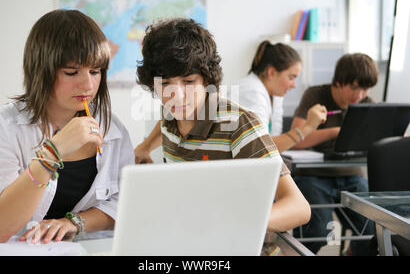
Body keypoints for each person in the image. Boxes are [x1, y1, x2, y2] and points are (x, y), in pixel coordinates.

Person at [0, 9, 134, 244]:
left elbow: (124, 203)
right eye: (71, 72)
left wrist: (74, 222)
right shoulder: (3, 127)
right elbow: (0, 228)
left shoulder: (112, 129)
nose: (88, 84)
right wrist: (52, 153)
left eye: (95, 71)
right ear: (41, 70)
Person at [135, 18, 311, 234]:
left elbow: (299, 208)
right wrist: (144, 147)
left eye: (189, 82)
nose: (177, 96)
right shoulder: (171, 112)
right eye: (164, 84)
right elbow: (165, 120)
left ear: (206, 80)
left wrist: (233, 223)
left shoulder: (238, 124)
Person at [290, 53, 379, 255]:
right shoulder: (315, 95)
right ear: (339, 82)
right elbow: (297, 140)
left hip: (351, 175)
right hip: (312, 176)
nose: (360, 94)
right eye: (354, 87)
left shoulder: (367, 103)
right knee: (318, 232)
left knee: (374, 229)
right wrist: (336, 132)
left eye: (365, 89)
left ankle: (351, 253)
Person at [232, 40, 327, 152]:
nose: (294, 85)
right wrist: (308, 127)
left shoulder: (273, 94)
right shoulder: (252, 92)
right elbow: (262, 148)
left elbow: (273, 141)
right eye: (291, 77)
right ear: (271, 73)